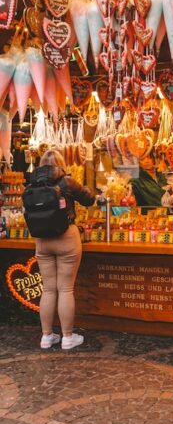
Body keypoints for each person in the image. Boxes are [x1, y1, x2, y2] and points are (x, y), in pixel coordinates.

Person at [35, 150, 95, 350]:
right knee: (65, 288)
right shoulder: (66, 182)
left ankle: (46, 336)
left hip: (42, 240)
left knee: (49, 288)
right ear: (61, 164)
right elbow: (89, 199)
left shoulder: (32, 183)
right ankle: (68, 337)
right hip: (66, 238)